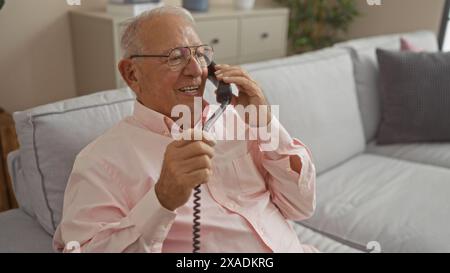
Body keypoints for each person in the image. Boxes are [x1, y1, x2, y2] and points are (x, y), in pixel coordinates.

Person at [53, 6, 317, 253]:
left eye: (200, 55)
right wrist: (162, 199)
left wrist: (266, 123)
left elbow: (301, 206)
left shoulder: (240, 120)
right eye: (176, 58)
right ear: (132, 73)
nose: (195, 70)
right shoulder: (99, 162)